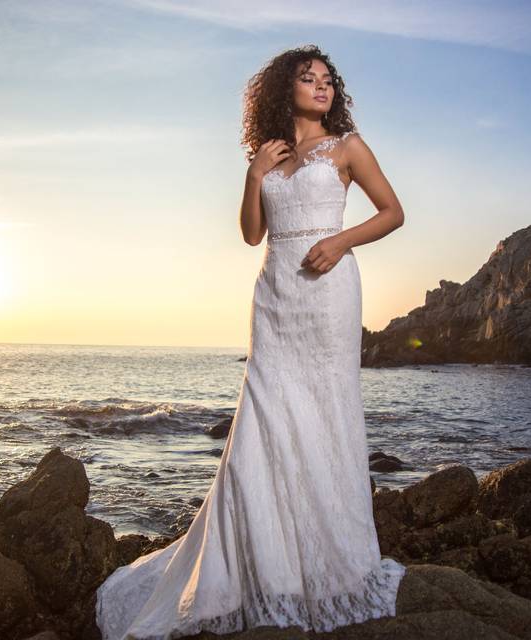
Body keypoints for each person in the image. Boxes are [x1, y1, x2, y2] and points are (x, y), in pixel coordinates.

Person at [95, 44, 406, 640]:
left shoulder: (347, 147)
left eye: (327, 81)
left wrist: (340, 243)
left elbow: (392, 213)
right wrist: (255, 174)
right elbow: (250, 233)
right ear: (281, 90)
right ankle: (263, 561)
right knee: (264, 416)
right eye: (307, 79)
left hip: (329, 292)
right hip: (275, 294)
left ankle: (327, 557)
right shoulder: (269, 156)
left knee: (326, 412)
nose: (321, 88)